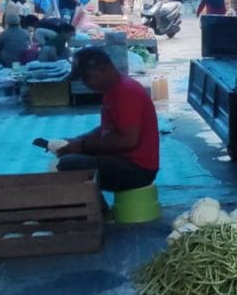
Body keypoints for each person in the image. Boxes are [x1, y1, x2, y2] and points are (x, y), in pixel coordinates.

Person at [52, 48, 158, 192]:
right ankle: (95, 207)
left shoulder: (127, 92)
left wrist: (83, 146)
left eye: (85, 78)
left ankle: (93, 210)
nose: (84, 83)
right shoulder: (112, 91)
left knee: (68, 164)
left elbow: (128, 140)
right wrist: (77, 141)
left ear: (103, 69)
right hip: (124, 160)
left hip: (138, 169)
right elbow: (106, 130)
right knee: (71, 155)